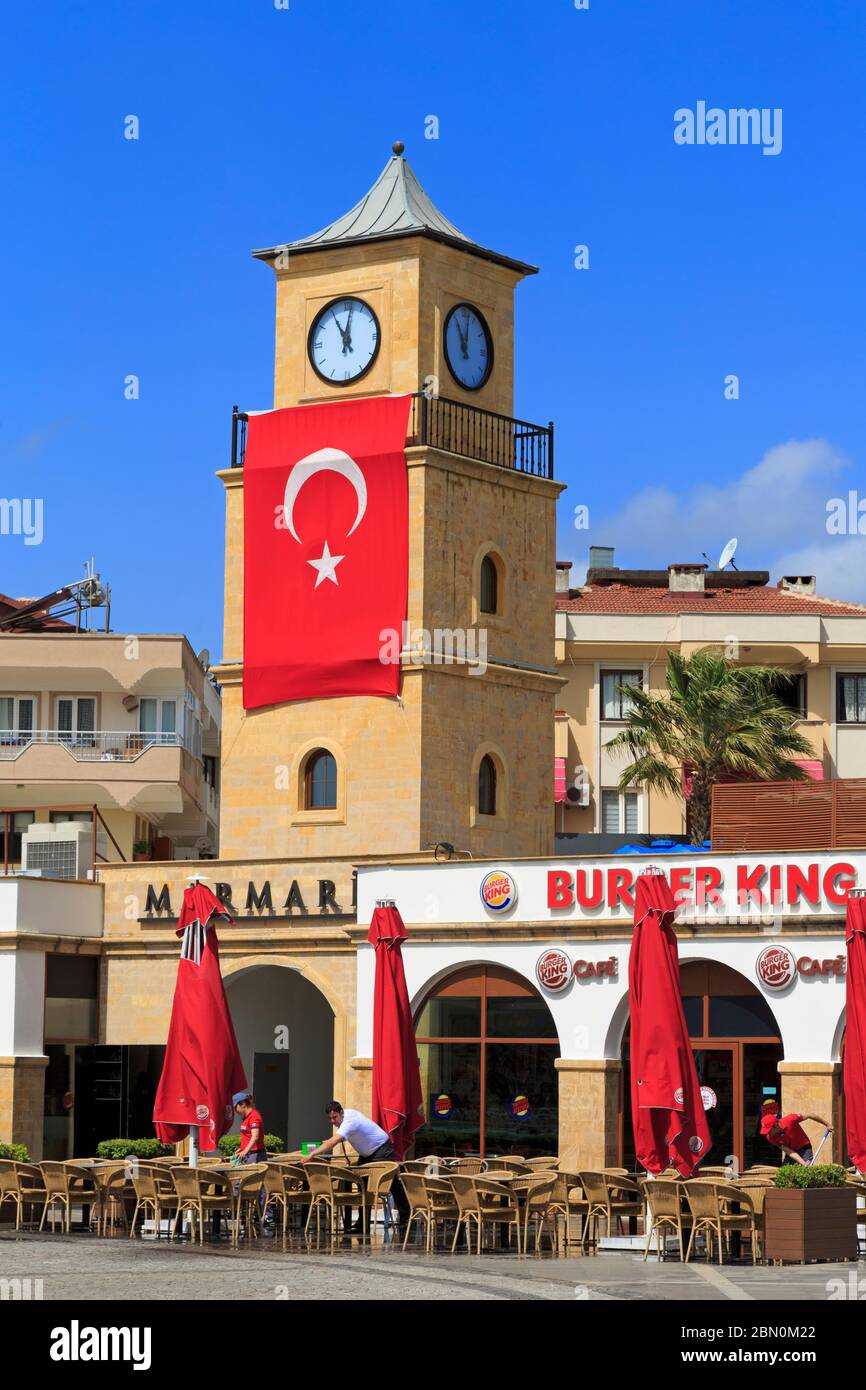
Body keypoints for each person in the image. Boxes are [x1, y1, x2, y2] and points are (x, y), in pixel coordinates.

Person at [298, 1101, 410, 1229]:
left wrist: (310, 1155)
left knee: (391, 1184)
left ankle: (406, 1218)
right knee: (362, 1184)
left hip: (381, 1149)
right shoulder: (346, 1116)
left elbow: (333, 1142)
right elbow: (337, 1139)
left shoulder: (349, 1121)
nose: (332, 1121)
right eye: (330, 1118)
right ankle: (363, 1224)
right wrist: (322, 1145)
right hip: (368, 1154)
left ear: (341, 1112)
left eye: (334, 1117)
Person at [232, 1090, 273, 1232]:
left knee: (258, 1186)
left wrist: (246, 1151)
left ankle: (267, 1215)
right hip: (248, 1154)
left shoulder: (254, 1116)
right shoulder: (246, 1118)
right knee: (241, 1183)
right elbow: (247, 1137)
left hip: (255, 1155)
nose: (236, 1111)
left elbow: (255, 1137)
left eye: (236, 1107)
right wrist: (240, 1148)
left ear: (242, 1104)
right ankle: (245, 1213)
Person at [760, 1099, 832, 1165]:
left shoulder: (790, 1120)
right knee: (785, 1172)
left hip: (804, 1147)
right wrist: (803, 1163)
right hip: (792, 1151)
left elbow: (810, 1115)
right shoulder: (770, 1138)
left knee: (806, 1172)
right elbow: (789, 1151)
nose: (767, 1133)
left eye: (768, 1130)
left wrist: (827, 1124)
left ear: (775, 1125)